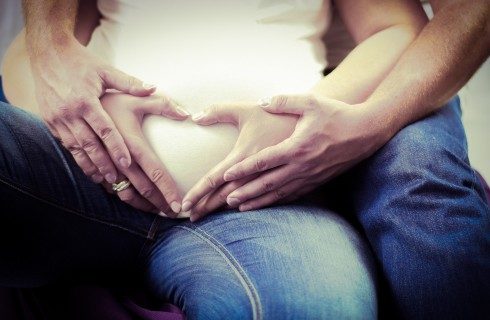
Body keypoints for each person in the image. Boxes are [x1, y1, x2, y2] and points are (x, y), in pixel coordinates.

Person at [0, 0, 487, 319]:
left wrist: (295, 121)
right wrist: (90, 133)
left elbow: (397, 30)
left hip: (268, 206)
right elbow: (37, 56)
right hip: (76, 181)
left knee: (319, 310)